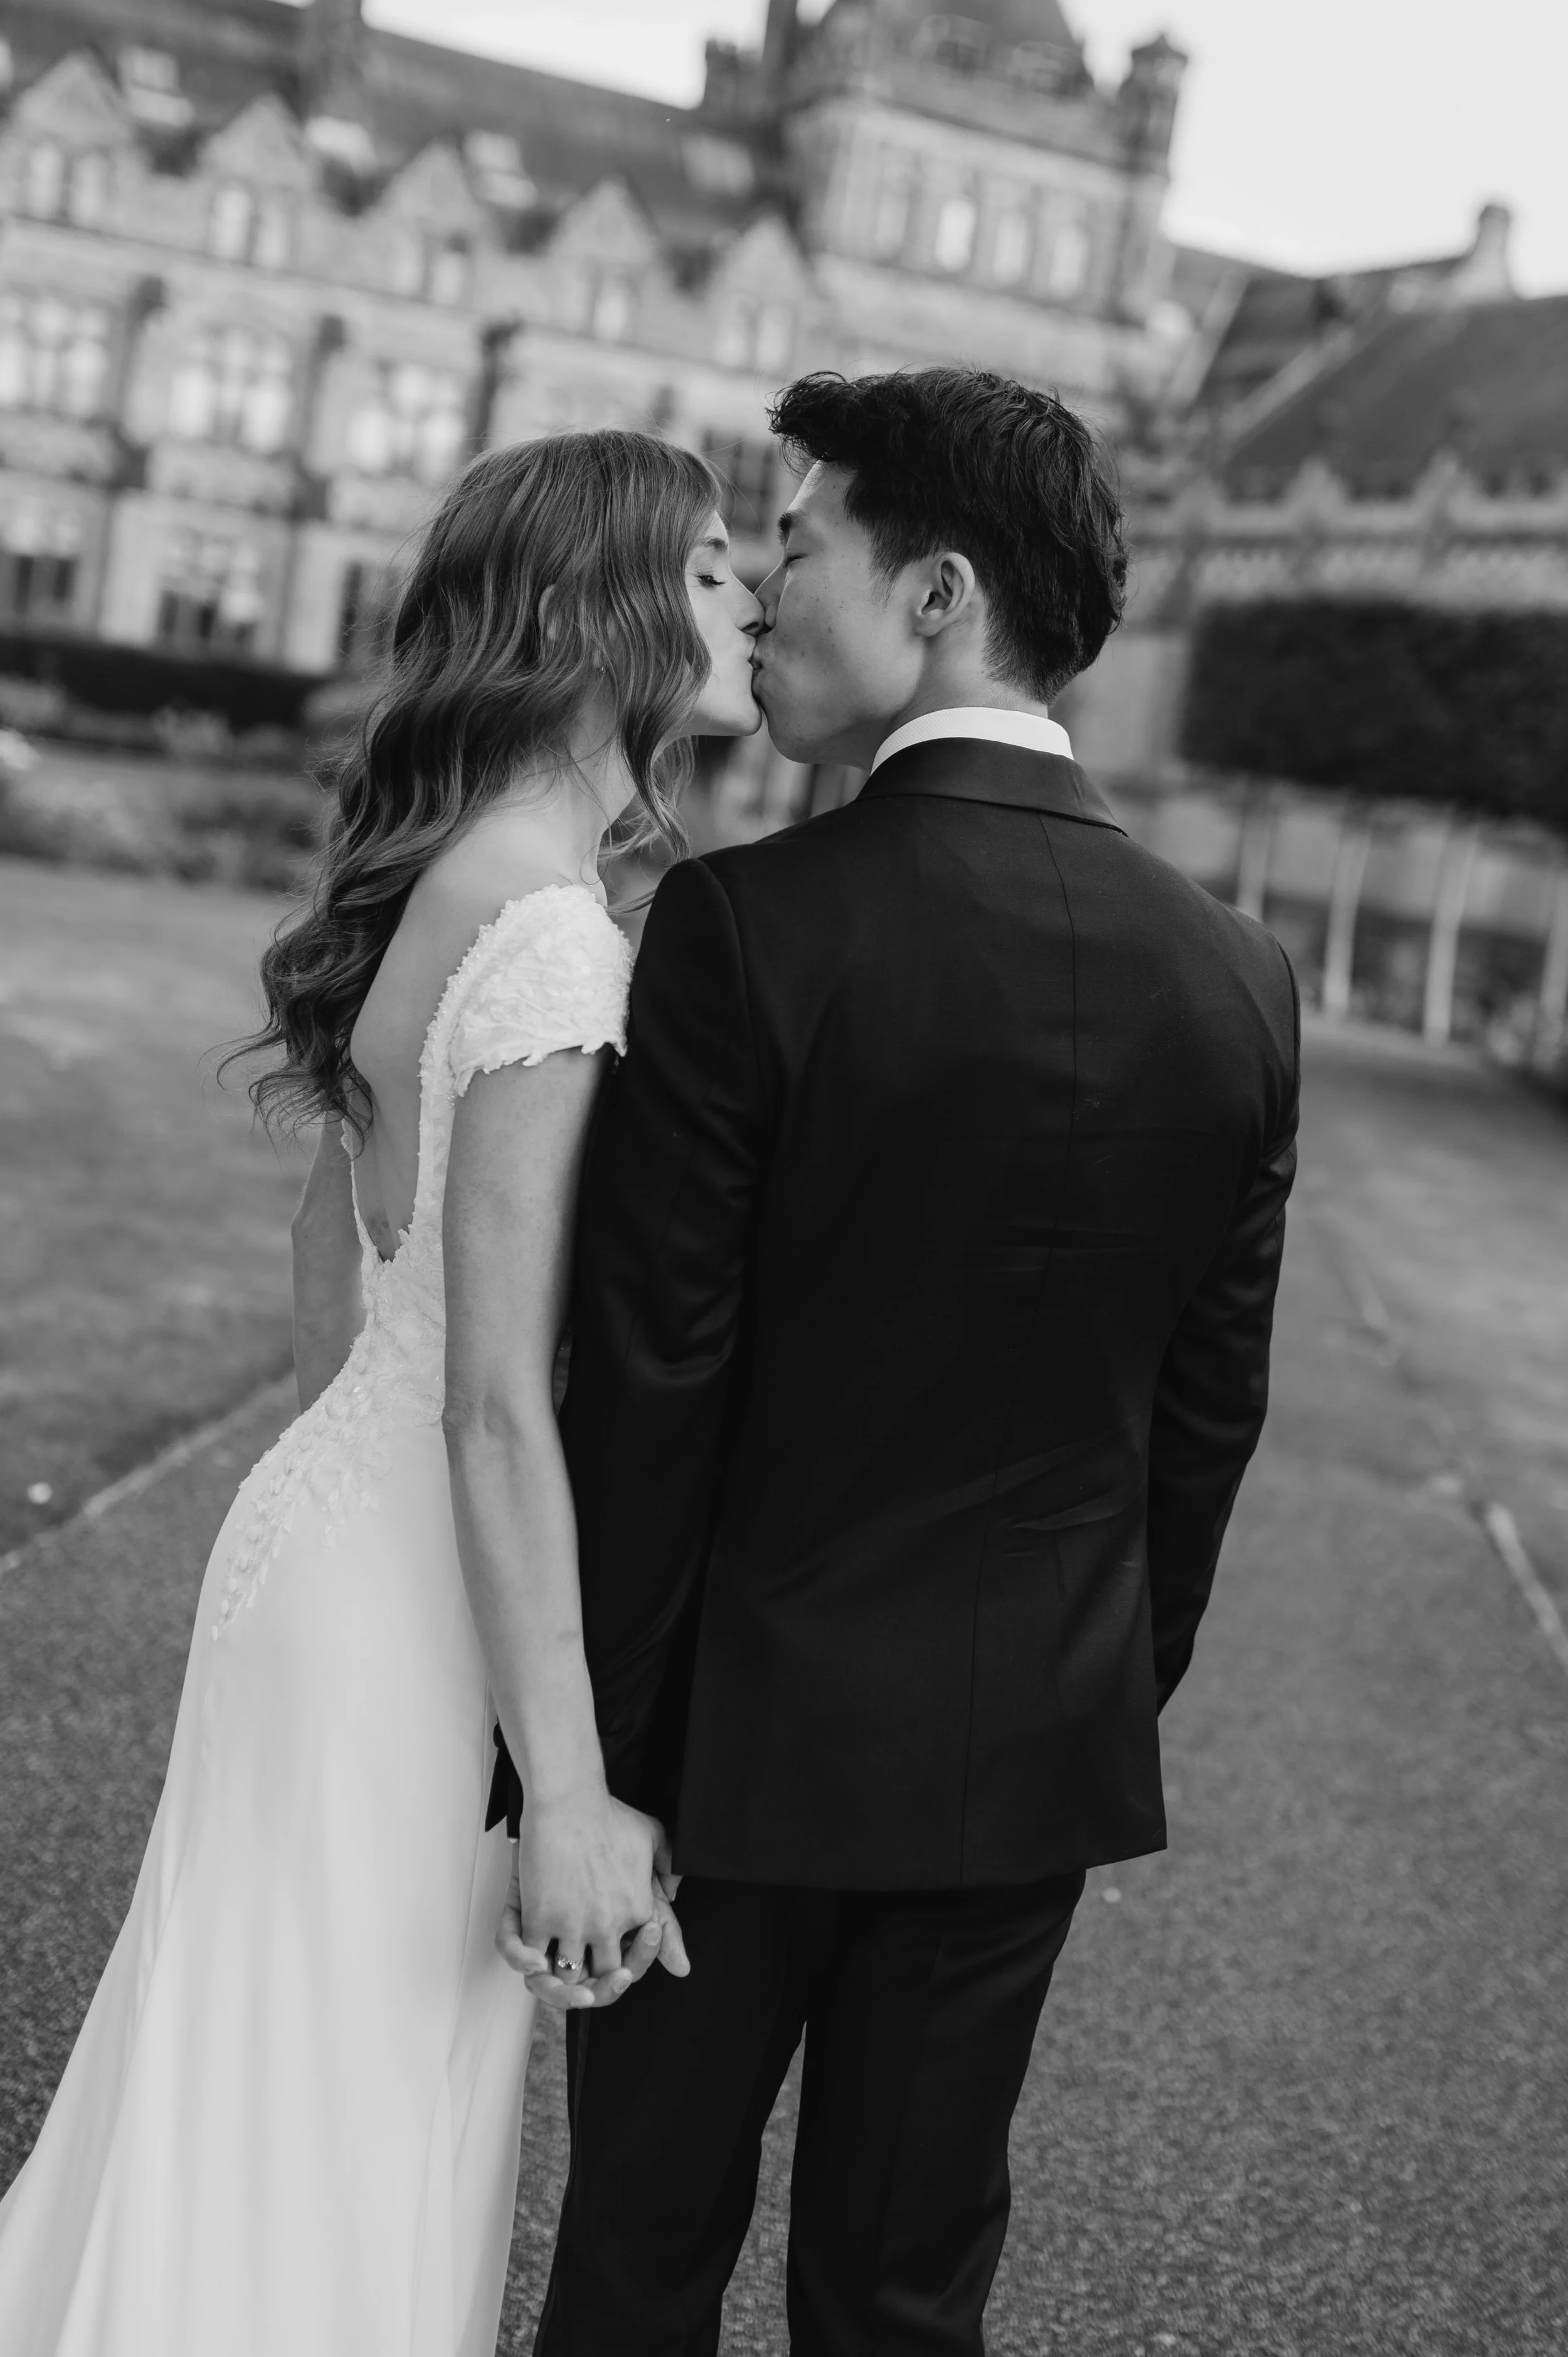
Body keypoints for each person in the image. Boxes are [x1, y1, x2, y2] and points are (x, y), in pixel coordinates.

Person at [499, 368, 1301, 2356]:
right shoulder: (1237, 976)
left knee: (634, 2273)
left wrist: (595, 1765)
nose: (763, 595)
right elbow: (1204, 1424)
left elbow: (654, 1385)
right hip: (1022, 1754)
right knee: (904, 2298)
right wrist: (1078, 1686)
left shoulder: (748, 931)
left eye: (799, 543)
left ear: (934, 591)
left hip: (726, 1765)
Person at [0, 430, 763, 2357]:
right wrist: (573, 1791)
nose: (743, 592)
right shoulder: (558, 934)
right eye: (704, 567)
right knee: (337, 2117)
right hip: (417, 1601)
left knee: (254, 2089)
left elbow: (329, 1270)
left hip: (330, 1547)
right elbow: (498, 1401)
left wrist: (341, 1485)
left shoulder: (451, 874)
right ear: (601, 614)